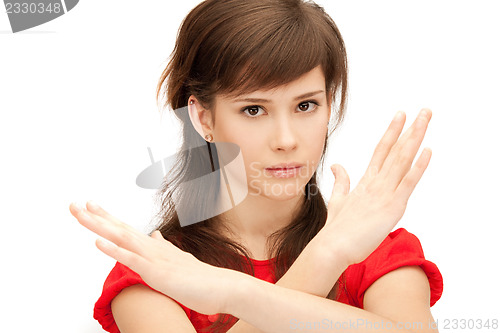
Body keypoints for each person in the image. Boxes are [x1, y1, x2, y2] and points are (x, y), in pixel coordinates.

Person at [69, 0, 443, 332]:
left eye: (306, 105)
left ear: (329, 103)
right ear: (203, 118)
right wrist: (324, 257)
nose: (286, 139)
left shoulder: (377, 253)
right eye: (253, 109)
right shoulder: (157, 271)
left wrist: (236, 293)